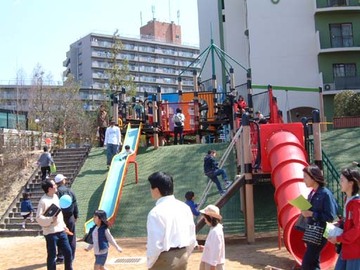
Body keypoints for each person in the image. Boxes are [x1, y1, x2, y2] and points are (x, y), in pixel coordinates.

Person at [147, 171, 197, 269]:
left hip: (164, 260)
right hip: (183, 256)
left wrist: (150, 264)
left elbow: (155, 245)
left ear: (156, 190)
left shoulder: (155, 213)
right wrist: (185, 255)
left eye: (151, 187)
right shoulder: (184, 207)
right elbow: (192, 237)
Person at [300, 164, 339, 270]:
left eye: (306, 177)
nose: (304, 180)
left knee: (307, 264)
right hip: (312, 231)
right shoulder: (312, 193)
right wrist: (305, 211)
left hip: (321, 232)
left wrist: (312, 214)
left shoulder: (325, 194)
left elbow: (330, 216)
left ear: (314, 177)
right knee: (313, 263)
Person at [36, 179, 73, 270]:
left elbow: (59, 214)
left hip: (61, 231)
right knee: (52, 256)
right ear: (49, 188)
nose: (56, 186)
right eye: (54, 185)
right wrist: (50, 219)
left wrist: (64, 226)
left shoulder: (56, 197)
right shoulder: (43, 201)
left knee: (68, 252)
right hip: (50, 233)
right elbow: (38, 218)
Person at [328, 168, 360, 270]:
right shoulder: (347, 199)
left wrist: (338, 238)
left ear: (351, 183)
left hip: (356, 250)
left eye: (342, 180)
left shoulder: (357, 204)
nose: (339, 182)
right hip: (346, 247)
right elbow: (347, 221)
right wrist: (338, 224)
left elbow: (357, 229)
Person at [54, 174, 79, 264]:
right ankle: (71, 256)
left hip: (60, 217)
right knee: (71, 236)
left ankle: (60, 256)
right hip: (70, 217)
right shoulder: (70, 191)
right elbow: (74, 204)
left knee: (60, 236)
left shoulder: (56, 193)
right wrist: (76, 215)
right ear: (63, 181)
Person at [198, 204, 225, 270]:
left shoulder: (216, 231)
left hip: (213, 264)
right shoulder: (214, 229)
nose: (204, 220)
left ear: (210, 217)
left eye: (205, 218)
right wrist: (205, 248)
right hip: (210, 261)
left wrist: (213, 265)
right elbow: (214, 246)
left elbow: (217, 249)